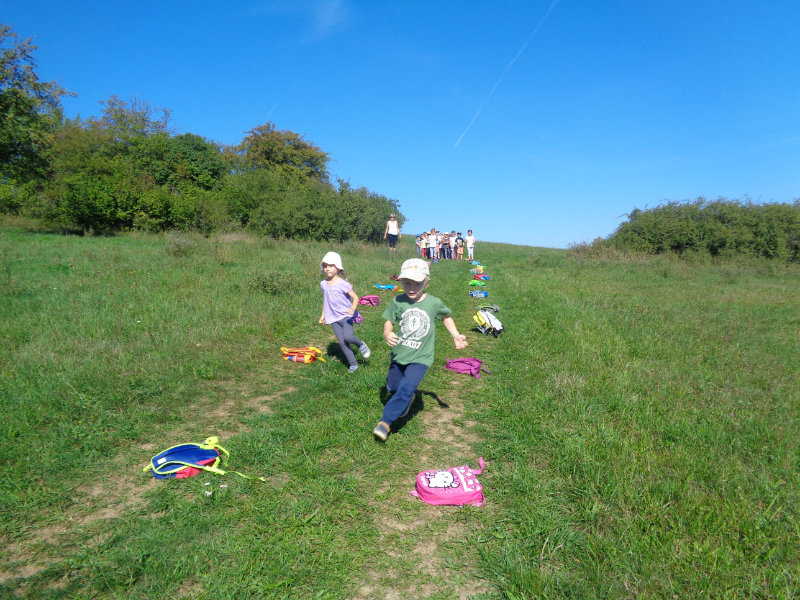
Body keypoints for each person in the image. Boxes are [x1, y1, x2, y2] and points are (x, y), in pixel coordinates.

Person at [373, 258, 468, 441]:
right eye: (407, 283)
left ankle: (385, 422)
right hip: (399, 353)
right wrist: (387, 333)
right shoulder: (397, 301)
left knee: (407, 387)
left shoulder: (433, 303)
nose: (411, 288)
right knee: (394, 387)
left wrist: (455, 335)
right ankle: (407, 398)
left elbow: (446, 316)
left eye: (417, 283)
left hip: (421, 357)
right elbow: (389, 321)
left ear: (426, 282)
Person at [319, 251, 370, 373]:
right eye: (325, 266)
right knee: (342, 342)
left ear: (338, 267)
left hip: (346, 316)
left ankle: (361, 344)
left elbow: (355, 298)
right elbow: (326, 301)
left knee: (348, 337)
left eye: (330, 266)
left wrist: (352, 309)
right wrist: (323, 315)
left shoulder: (343, 284)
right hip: (333, 318)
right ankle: (353, 364)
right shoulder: (323, 284)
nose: (327, 268)